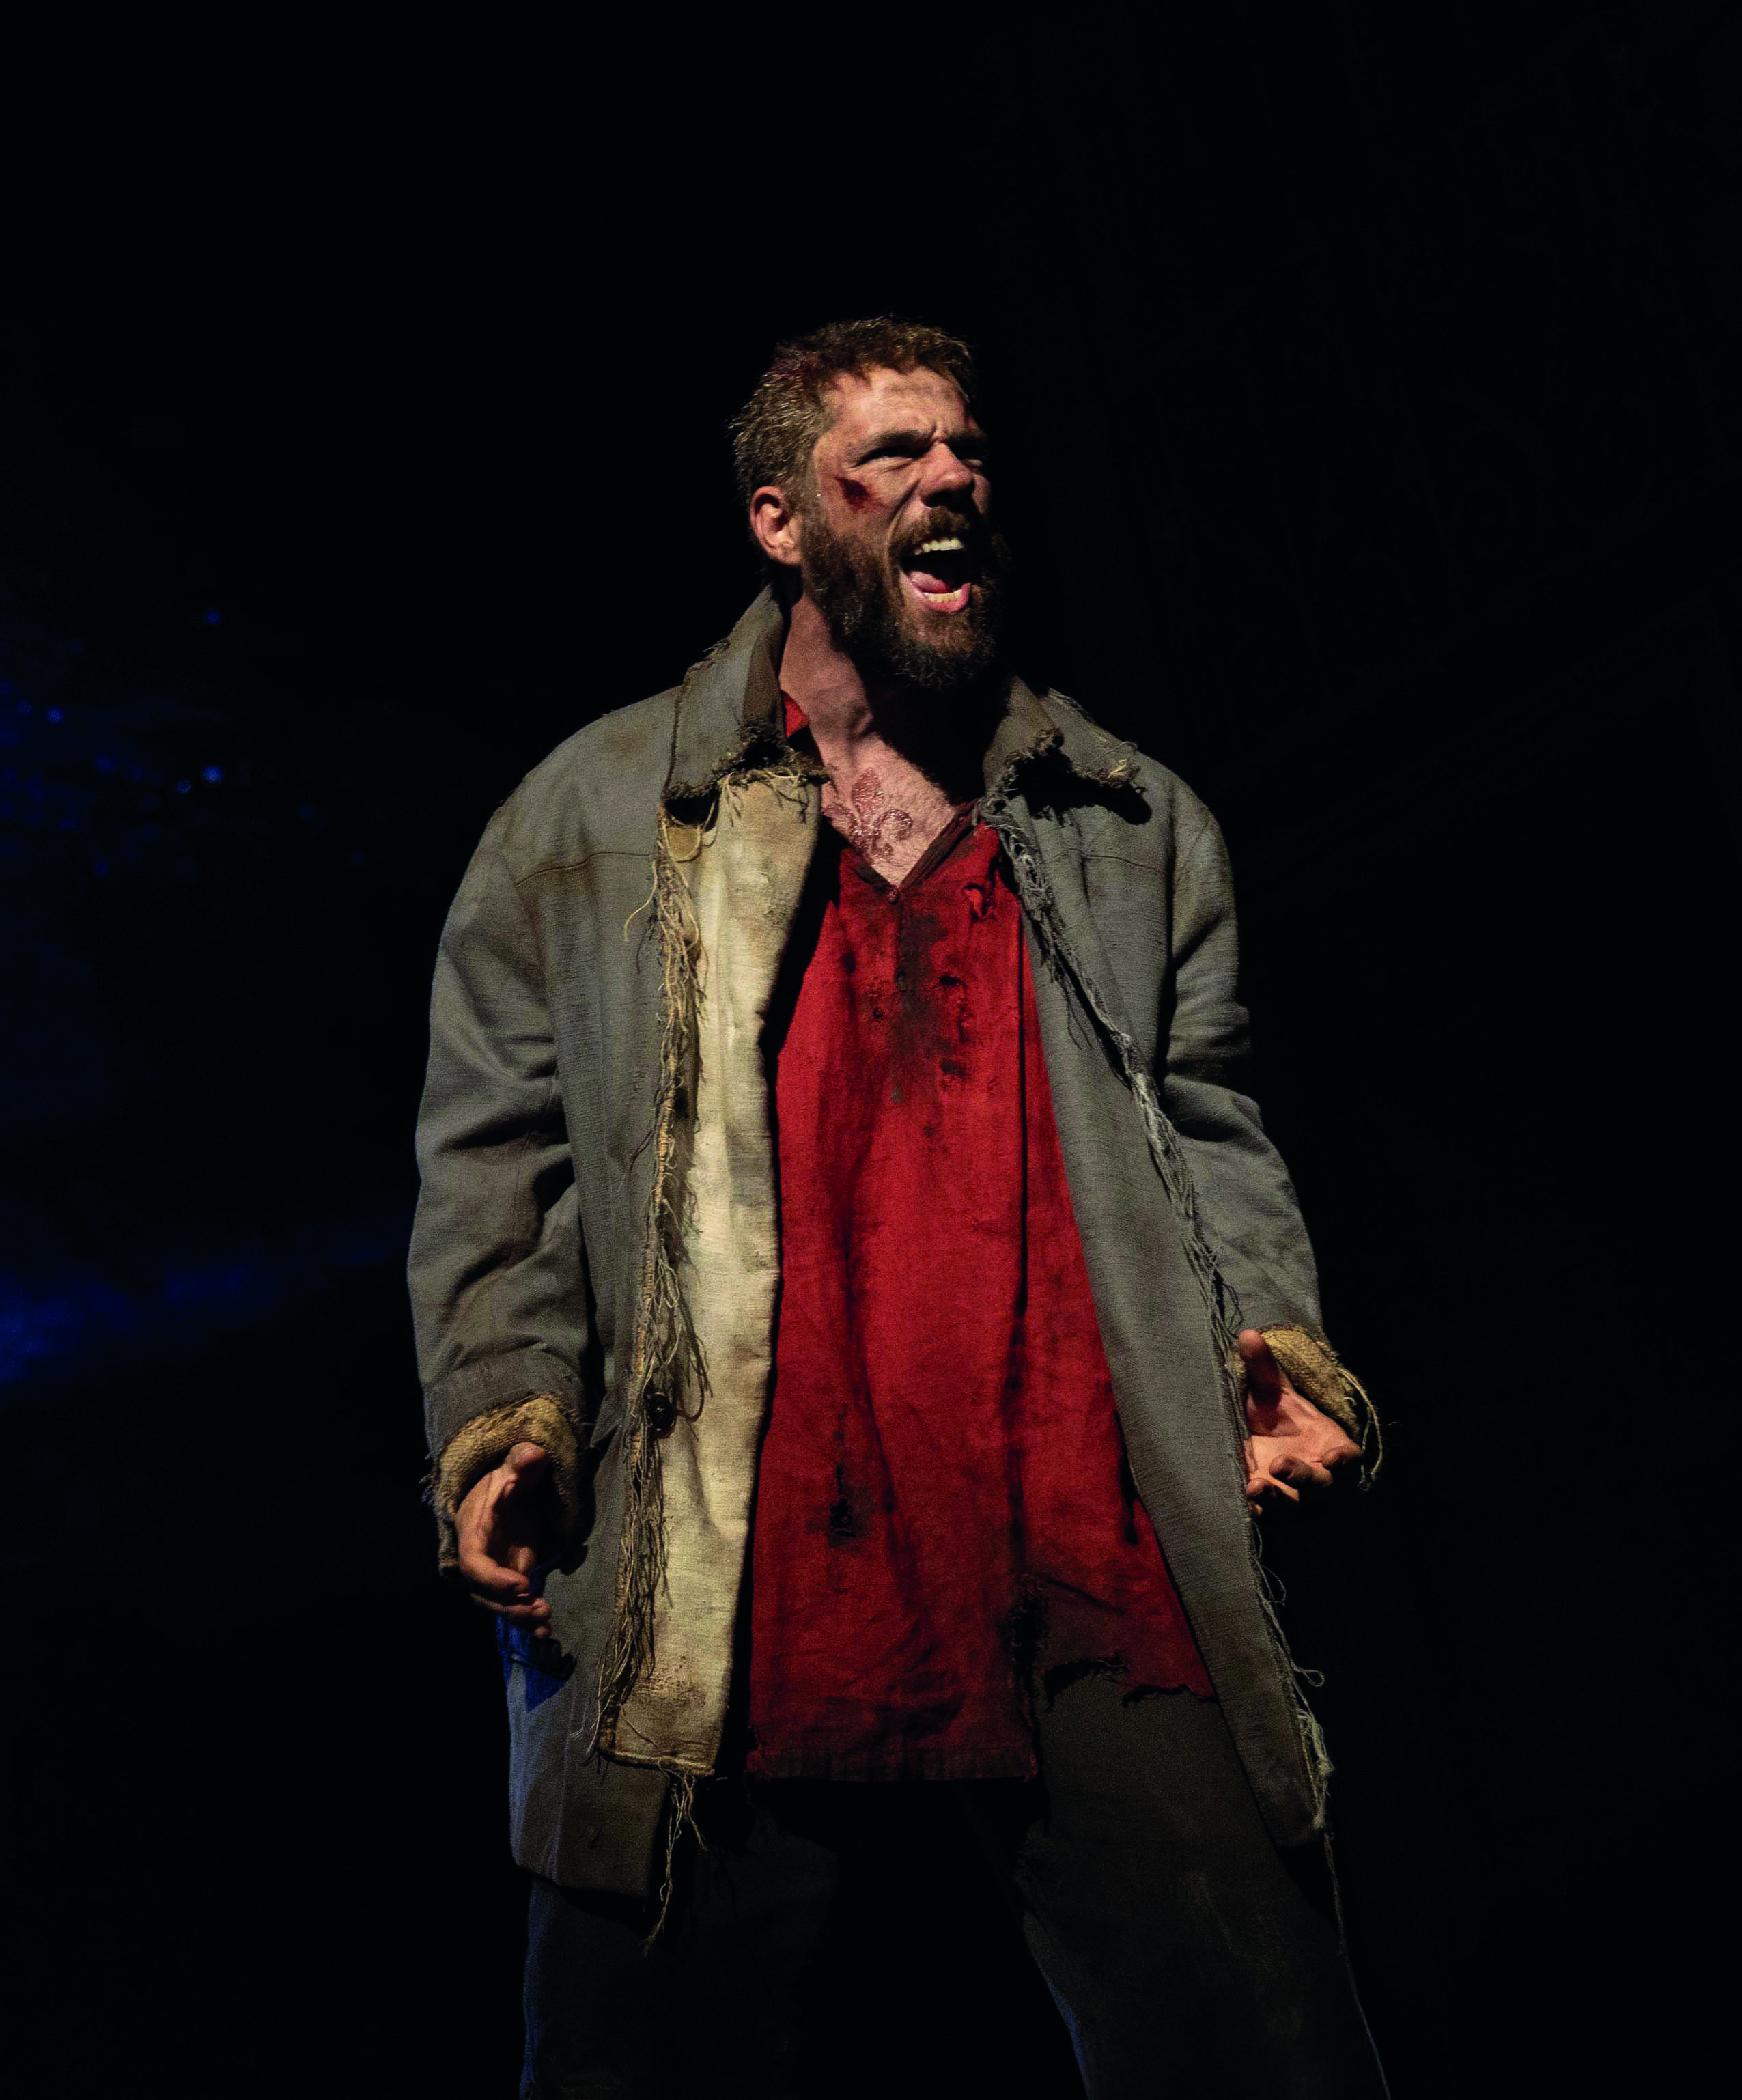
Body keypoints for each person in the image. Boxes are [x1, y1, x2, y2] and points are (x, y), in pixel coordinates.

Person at [410, 318, 1389, 2099]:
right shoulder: (592, 818)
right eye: (891, 464)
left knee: (1268, 2051)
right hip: (724, 1575)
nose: (950, 484)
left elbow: (1205, 1114)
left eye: (967, 456)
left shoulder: (1123, 819)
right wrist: (501, 1410)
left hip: (1088, 1556)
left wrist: (1276, 1342)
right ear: (782, 521)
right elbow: (499, 1148)